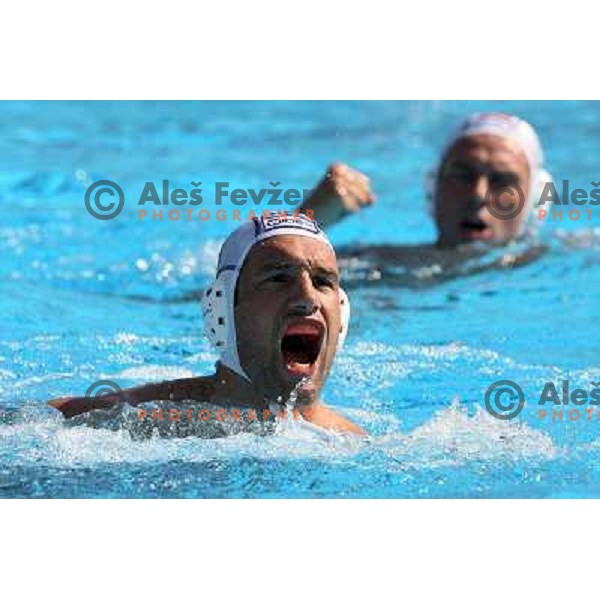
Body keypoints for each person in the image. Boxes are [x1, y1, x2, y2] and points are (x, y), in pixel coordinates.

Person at [49, 214, 365, 436]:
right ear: (223, 310)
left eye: (323, 282)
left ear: (341, 315)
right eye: (278, 279)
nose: (307, 298)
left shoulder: (354, 445)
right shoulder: (141, 419)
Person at [302, 112, 552, 272]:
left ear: (535, 199)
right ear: (433, 187)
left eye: (501, 180)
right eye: (462, 175)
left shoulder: (571, 260)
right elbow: (271, 278)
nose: (478, 194)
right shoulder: (374, 264)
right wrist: (306, 222)